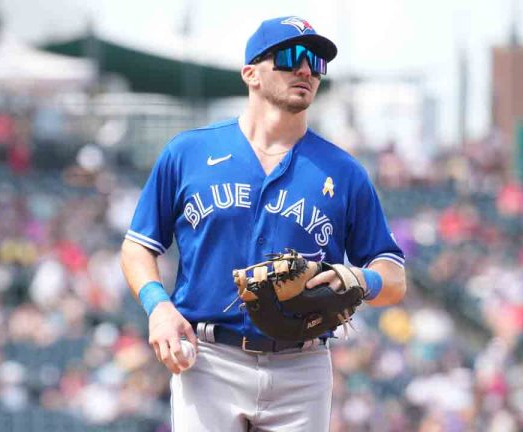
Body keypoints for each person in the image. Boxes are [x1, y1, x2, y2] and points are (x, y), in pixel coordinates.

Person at [120, 16, 408, 431]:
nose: (306, 70)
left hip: (303, 366)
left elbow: (394, 276)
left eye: (315, 62)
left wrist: (361, 280)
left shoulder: (344, 172)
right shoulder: (188, 153)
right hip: (209, 359)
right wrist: (157, 306)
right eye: (291, 58)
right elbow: (138, 246)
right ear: (251, 73)